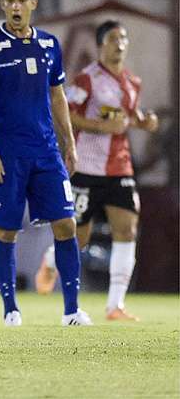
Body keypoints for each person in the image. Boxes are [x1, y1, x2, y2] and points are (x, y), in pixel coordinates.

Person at [0, 0, 92, 326]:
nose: (16, 7)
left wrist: (69, 144)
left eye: (22, 0)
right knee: (6, 230)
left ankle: (71, 309)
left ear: (34, 3)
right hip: (7, 154)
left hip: (46, 152)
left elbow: (58, 97)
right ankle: (10, 308)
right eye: (9, 1)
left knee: (66, 224)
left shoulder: (51, 45)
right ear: (2, 4)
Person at [35, 21, 159, 321]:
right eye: (114, 38)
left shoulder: (132, 82)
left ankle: (115, 305)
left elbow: (128, 117)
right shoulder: (86, 80)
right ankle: (51, 261)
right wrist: (102, 127)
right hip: (87, 167)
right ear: (102, 44)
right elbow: (68, 115)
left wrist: (144, 122)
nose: (120, 44)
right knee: (79, 238)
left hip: (120, 166)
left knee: (127, 229)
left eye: (123, 38)